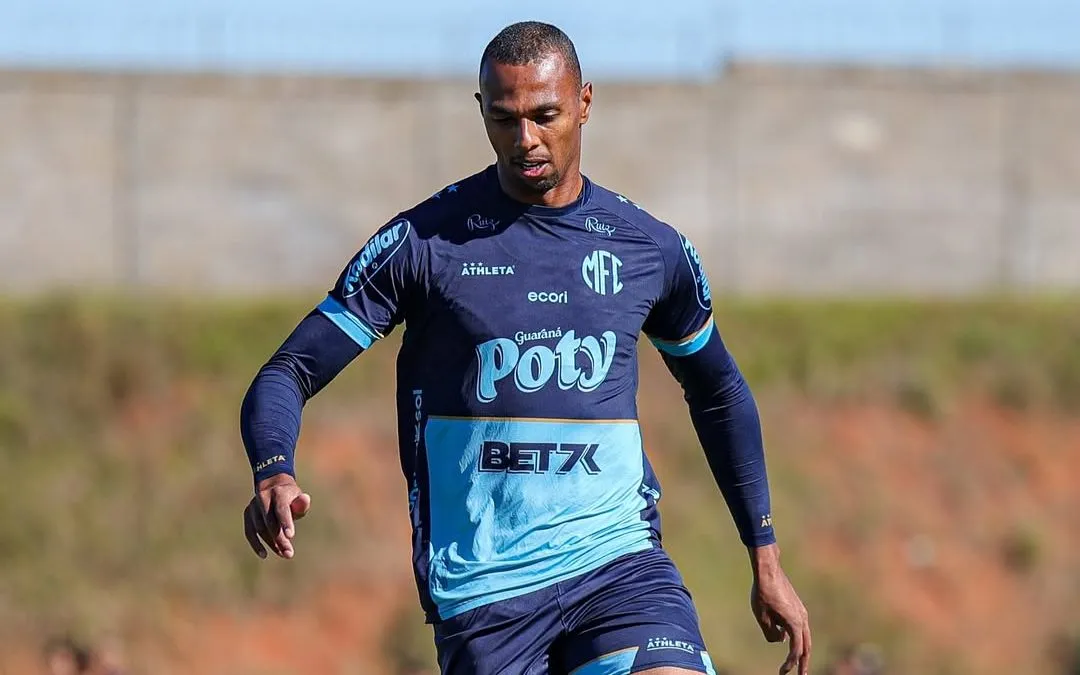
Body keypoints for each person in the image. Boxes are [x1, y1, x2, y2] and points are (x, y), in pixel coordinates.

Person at [240, 20, 812, 675]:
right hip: (486, 593)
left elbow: (719, 389)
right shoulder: (425, 244)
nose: (526, 140)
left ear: (585, 103)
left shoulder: (646, 247)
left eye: (546, 115)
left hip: (620, 566)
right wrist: (274, 466)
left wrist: (764, 555)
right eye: (505, 119)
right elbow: (289, 369)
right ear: (481, 111)